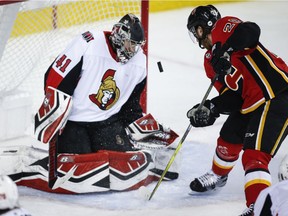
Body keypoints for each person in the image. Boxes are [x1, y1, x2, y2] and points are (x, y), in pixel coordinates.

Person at [6, 13, 180, 193]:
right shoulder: (88, 43)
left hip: (108, 122)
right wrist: (56, 117)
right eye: (130, 43)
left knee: (119, 165)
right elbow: (54, 78)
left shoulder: (139, 63)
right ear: (119, 36)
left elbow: (131, 108)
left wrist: (145, 131)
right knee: (81, 168)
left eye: (137, 46)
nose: (132, 50)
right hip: (73, 122)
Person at [186, 5, 288, 216]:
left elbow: (251, 31)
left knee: (254, 155)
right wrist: (211, 107)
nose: (197, 37)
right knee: (228, 137)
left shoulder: (224, 27)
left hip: (277, 95)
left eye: (196, 29)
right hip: (251, 102)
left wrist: (226, 50)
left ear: (204, 26)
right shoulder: (209, 62)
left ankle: (259, 207)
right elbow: (232, 97)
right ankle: (218, 176)